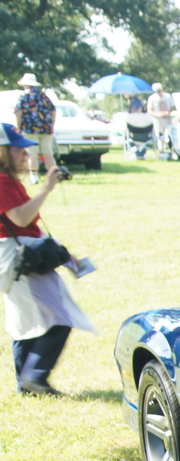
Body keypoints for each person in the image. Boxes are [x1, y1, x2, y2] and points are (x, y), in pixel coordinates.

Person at [0, 123, 94, 396]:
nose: (24, 155)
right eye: (18, 150)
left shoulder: (9, 180)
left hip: (22, 257)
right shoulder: (3, 181)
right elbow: (20, 218)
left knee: (26, 320)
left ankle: (27, 384)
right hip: (19, 260)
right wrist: (46, 188)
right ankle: (34, 377)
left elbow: (27, 225)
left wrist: (66, 256)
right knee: (59, 316)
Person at [14, 72, 56, 185]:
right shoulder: (44, 96)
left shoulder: (23, 97)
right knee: (48, 153)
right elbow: (53, 110)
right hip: (46, 129)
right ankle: (55, 176)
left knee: (32, 154)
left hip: (30, 129)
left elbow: (18, 113)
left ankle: (34, 177)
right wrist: (51, 124)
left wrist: (19, 127)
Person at [146, 82, 175, 151]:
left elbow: (173, 107)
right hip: (158, 120)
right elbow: (149, 110)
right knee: (159, 135)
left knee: (169, 135)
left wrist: (168, 112)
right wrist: (158, 114)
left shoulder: (167, 96)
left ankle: (171, 149)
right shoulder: (152, 98)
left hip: (167, 119)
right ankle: (161, 150)